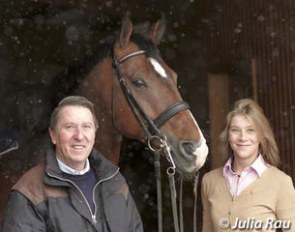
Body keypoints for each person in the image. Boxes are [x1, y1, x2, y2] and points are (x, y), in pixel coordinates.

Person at [2, 95, 143, 232]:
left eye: (86, 127)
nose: (79, 136)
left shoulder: (115, 182)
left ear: (94, 133)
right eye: (70, 127)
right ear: (53, 135)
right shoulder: (30, 190)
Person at [201, 98, 295, 232]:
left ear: (261, 136)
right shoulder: (209, 181)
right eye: (235, 130)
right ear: (228, 135)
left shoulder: (281, 183)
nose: (242, 137)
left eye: (250, 130)